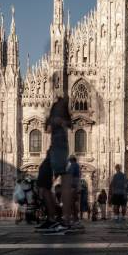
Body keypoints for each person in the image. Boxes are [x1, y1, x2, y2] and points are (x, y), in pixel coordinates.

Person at [34, 95, 73, 233]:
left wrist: (60, 121)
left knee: (64, 179)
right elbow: (47, 129)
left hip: (60, 147)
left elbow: (68, 124)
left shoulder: (61, 107)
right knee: (43, 181)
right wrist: (49, 121)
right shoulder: (55, 107)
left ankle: (66, 220)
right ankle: (52, 219)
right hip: (53, 148)